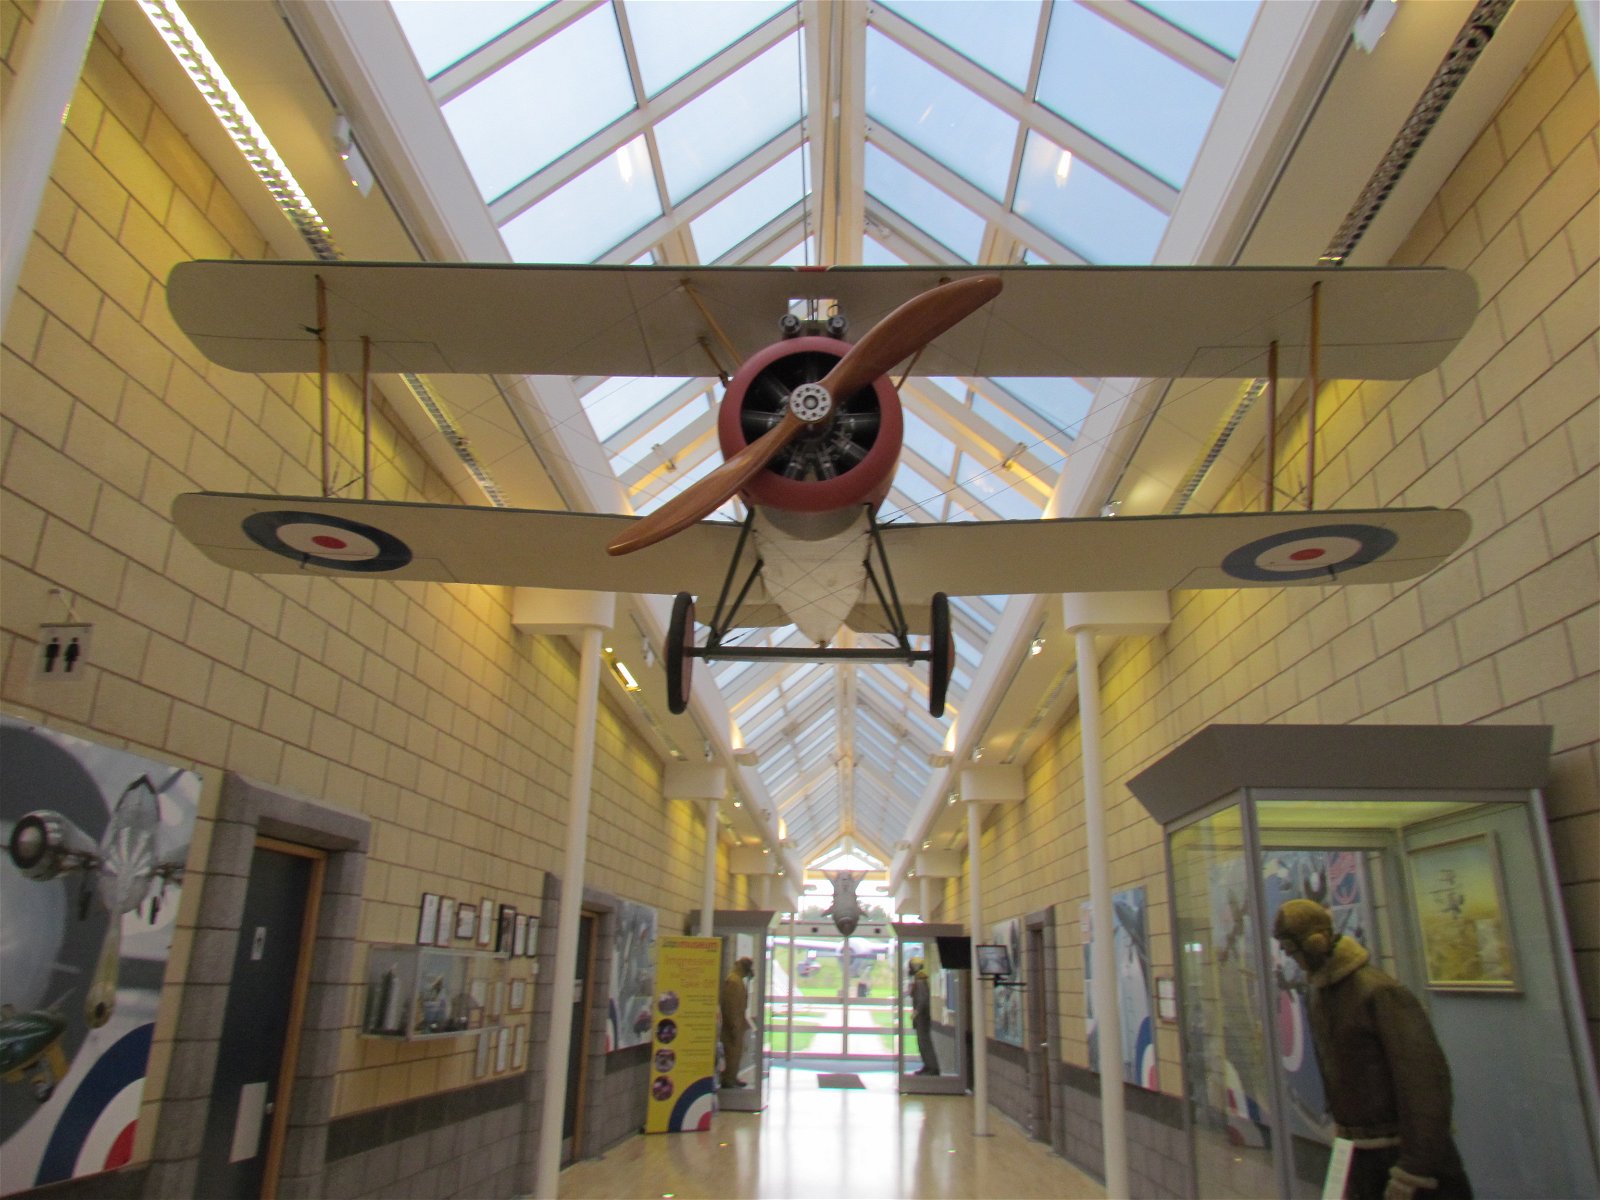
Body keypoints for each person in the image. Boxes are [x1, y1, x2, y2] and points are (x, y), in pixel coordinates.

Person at [1272, 899, 1472, 1200]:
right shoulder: (1322, 994)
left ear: (1315, 944)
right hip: (1361, 1154)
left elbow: (1425, 1083)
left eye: (1293, 951)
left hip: (1401, 1157)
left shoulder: (1378, 992)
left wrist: (1415, 1167)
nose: (1294, 960)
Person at [719, 955, 754, 1087]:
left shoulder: (738, 980)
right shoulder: (733, 981)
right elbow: (730, 1007)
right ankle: (728, 1079)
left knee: (737, 1054)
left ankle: (732, 1077)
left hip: (738, 1023)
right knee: (732, 1054)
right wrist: (734, 1026)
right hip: (733, 1025)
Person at [908, 957, 940, 1075]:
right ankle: (927, 1065)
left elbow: (923, 999)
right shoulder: (918, 979)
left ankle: (932, 1067)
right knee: (921, 1042)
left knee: (924, 1042)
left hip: (922, 1016)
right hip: (921, 1017)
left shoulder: (921, 980)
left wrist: (916, 1012)